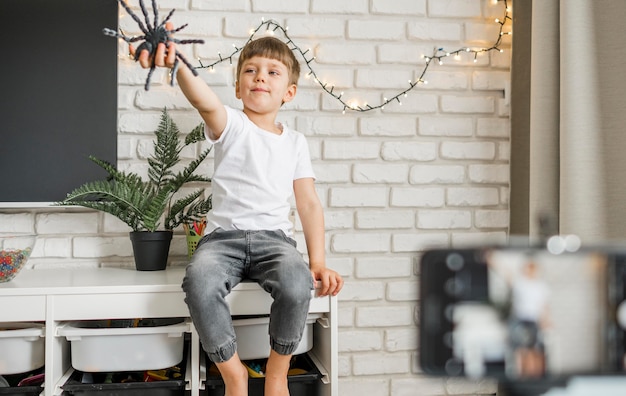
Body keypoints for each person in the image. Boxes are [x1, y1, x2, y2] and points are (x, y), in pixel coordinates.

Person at [131, 25, 344, 396]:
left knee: (297, 285)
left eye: (273, 72)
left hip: (275, 241)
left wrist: (318, 261)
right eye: (251, 70)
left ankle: (278, 373)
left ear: (289, 92)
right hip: (222, 241)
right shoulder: (231, 124)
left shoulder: (295, 142)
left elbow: (308, 203)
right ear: (237, 87)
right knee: (199, 281)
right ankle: (234, 373)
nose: (260, 76)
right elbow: (204, 101)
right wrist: (178, 62)